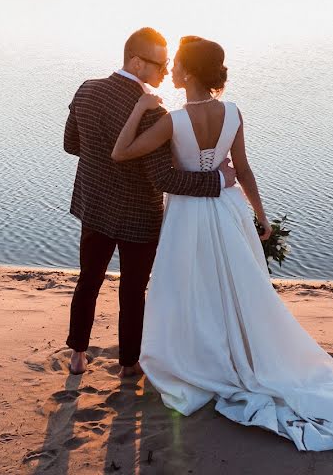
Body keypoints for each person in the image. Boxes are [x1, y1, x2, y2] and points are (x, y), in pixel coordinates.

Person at [111, 35, 333, 456]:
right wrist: (262, 217)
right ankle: (242, 353)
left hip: (189, 216)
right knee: (240, 288)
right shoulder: (232, 111)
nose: (172, 70)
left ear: (190, 73)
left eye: (177, 64)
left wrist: (141, 106)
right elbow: (244, 169)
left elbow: (120, 153)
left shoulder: (171, 121)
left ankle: (201, 359)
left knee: (186, 289)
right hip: (229, 211)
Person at [63, 27, 237, 377]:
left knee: (88, 281)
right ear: (136, 62)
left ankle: (78, 355)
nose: (166, 69)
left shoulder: (86, 89)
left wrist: (100, 163)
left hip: (93, 206)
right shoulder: (154, 114)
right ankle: (129, 363)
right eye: (160, 64)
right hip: (139, 217)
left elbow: (71, 144)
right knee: (132, 291)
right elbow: (165, 180)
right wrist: (218, 180)